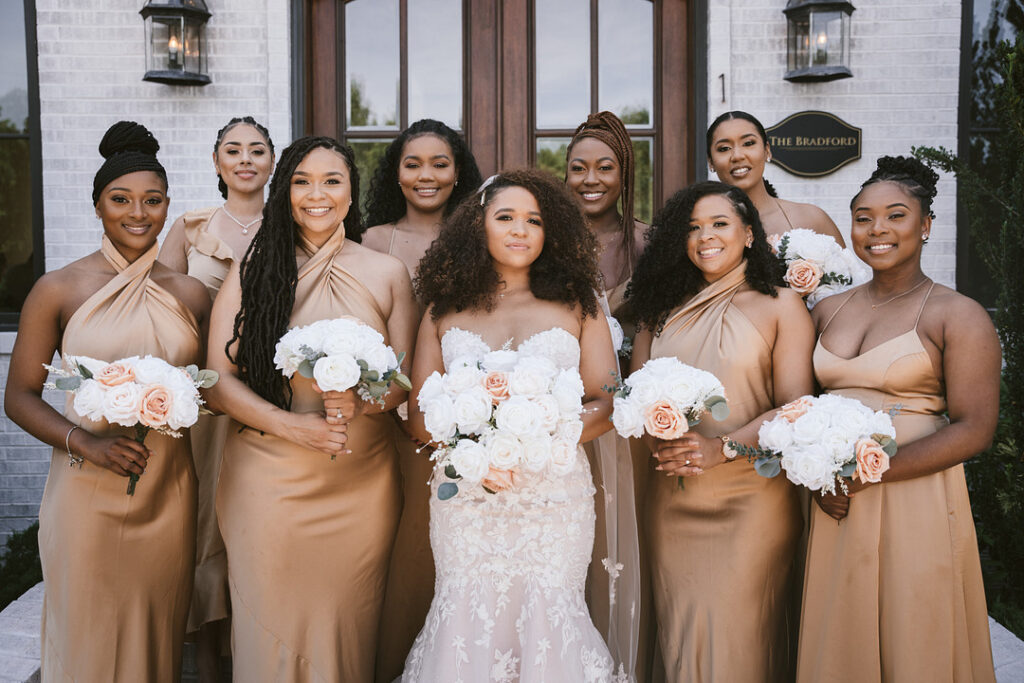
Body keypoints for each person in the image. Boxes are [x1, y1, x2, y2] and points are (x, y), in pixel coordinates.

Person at [3, 121, 211, 681]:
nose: (137, 213)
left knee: (157, 626)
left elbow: (216, 387)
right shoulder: (59, 288)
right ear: (98, 205)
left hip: (168, 488)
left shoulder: (191, 293)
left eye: (152, 200)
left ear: (168, 206)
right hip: (84, 490)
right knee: (88, 628)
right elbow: (19, 396)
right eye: (120, 200)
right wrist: (87, 444)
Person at [401, 169, 627, 680]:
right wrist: (476, 445)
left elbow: (608, 402)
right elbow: (418, 418)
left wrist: (534, 439)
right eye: (506, 217)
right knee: (465, 607)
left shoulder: (578, 304)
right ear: (478, 226)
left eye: (534, 220)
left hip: (553, 500)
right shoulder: (444, 307)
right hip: (468, 500)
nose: (521, 230)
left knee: (551, 610)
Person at [206, 136, 418, 682]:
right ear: (284, 192)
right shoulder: (256, 267)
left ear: (352, 193)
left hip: (360, 480)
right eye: (301, 181)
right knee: (270, 621)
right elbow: (217, 381)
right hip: (269, 477)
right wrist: (292, 428)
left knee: (347, 620)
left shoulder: (387, 272)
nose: (315, 194)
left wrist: (364, 401)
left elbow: (402, 383)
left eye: (331, 181)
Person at [797, 156, 999, 682]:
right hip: (837, 498)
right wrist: (819, 477)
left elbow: (975, 428)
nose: (877, 230)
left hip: (915, 495)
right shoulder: (827, 309)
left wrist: (871, 472)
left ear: (926, 225)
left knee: (915, 627)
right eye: (863, 218)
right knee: (840, 628)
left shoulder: (957, 314)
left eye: (895, 215)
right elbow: (799, 406)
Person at [627, 181, 815, 682]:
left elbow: (796, 408)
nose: (704, 237)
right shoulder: (658, 307)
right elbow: (635, 396)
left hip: (752, 499)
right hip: (673, 495)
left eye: (719, 224)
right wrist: (661, 442)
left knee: (741, 637)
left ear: (749, 235)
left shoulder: (781, 305)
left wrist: (721, 448)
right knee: (681, 632)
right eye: (692, 228)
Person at [357, 119, 482, 680]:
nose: (426, 175)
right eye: (413, 163)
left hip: (473, 417)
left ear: (459, 173)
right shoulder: (372, 239)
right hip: (391, 417)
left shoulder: (482, 232)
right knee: (407, 548)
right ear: (396, 172)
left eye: (439, 163)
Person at [158, 115, 275, 681]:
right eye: (234, 149)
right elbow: (162, 309)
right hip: (205, 399)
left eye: (257, 149)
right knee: (207, 520)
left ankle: (253, 646)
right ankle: (206, 658)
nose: (246, 159)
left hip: (273, 395)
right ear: (217, 161)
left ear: (273, 163)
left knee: (256, 517)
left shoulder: (294, 223)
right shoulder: (189, 227)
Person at [707, 110, 846, 246]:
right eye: (724, 148)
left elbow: (845, 269)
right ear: (710, 162)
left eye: (748, 143)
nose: (737, 156)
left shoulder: (811, 219)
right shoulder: (701, 228)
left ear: (767, 150)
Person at [565, 111, 646, 313]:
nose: (591, 179)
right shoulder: (549, 243)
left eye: (604, 168)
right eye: (578, 169)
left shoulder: (649, 243)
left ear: (623, 174)